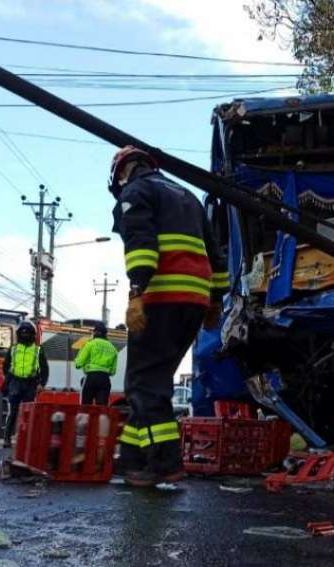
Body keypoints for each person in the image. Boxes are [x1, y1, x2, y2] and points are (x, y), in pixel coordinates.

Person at [108, 146, 228, 486]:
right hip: (193, 303)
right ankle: (130, 457)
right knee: (154, 381)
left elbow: (141, 242)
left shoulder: (137, 190)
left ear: (122, 171)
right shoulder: (187, 196)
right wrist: (215, 302)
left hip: (161, 297)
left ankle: (165, 462)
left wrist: (136, 294)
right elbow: (216, 253)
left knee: (144, 383)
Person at [1, 321, 49, 448]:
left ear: (33, 335)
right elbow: (5, 366)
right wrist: (9, 379)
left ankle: (26, 439)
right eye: (22, 332)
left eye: (27, 333)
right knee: (13, 412)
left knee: (28, 413)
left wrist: (41, 384)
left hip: (30, 383)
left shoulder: (38, 350)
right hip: (15, 382)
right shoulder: (13, 349)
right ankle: (7, 439)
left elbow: (44, 369)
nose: (25, 335)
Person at [75, 323, 118, 406]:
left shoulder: (90, 344)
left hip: (90, 378)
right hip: (105, 379)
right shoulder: (113, 348)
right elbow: (113, 372)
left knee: (85, 407)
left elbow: (78, 364)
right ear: (106, 335)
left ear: (94, 333)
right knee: (102, 409)